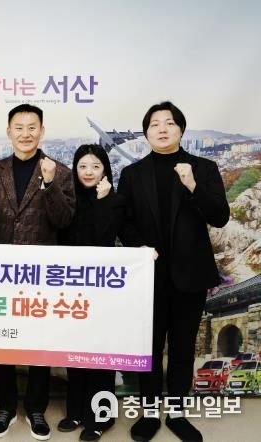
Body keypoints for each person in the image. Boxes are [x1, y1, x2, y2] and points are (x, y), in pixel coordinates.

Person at [117, 101, 229, 442]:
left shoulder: (204, 168)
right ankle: (150, 414)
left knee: (182, 348)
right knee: (149, 349)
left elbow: (220, 216)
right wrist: (139, 246)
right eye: (154, 124)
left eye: (169, 123)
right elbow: (123, 221)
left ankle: (178, 414)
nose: (162, 129)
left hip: (190, 275)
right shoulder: (132, 174)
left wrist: (194, 186)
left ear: (181, 129)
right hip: (148, 276)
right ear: (146, 132)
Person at [0, 104, 75, 441]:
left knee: (40, 341)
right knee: (3, 340)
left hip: (41, 273)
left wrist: (49, 184)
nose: (25, 133)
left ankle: (37, 408)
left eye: (32, 127)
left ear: (42, 131)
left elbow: (64, 220)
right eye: (19, 127)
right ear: (8, 131)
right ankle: (5, 407)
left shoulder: (60, 172)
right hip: (0, 271)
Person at [56, 144, 125, 441]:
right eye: (82, 166)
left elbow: (104, 238)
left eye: (96, 166)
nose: (88, 172)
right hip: (71, 288)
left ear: (105, 170)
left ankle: (100, 417)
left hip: (102, 289)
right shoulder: (68, 200)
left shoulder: (114, 200)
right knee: (74, 353)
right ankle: (75, 411)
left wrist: (103, 201)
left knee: (100, 355)